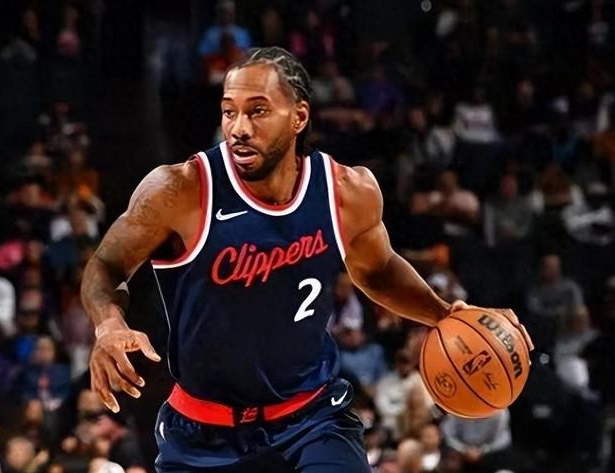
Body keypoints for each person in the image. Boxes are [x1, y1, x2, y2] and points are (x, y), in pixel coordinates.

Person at [81, 47, 532, 473]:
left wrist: (445, 314)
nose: (238, 127)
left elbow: (376, 270)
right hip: (203, 431)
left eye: (258, 110)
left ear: (299, 116)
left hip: (311, 420)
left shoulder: (348, 192)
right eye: (229, 111)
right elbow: (105, 266)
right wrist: (108, 324)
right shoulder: (180, 190)